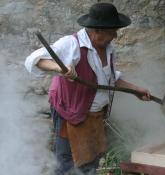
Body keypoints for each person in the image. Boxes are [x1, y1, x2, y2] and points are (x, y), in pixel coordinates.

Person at [25, 3, 150, 175]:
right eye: (112, 31)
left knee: (91, 160)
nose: (115, 35)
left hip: (94, 116)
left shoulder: (107, 49)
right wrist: (59, 69)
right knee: (67, 163)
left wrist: (137, 90)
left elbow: (110, 79)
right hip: (71, 112)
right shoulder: (71, 44)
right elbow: (35, 59)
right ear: (97, 31)